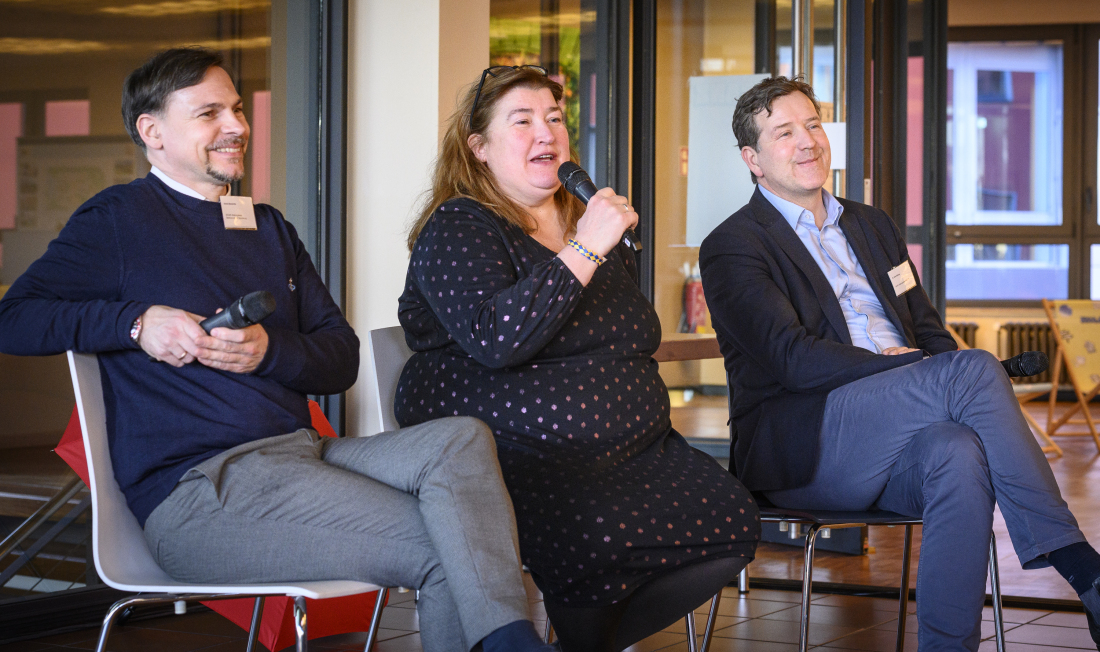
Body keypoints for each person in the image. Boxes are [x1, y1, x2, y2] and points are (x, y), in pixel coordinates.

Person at [0, 47, 556, 652]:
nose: (237, 126)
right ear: (151, 131)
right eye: (209, 113)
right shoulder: (117, 220)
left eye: (236, 108)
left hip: (303, 457)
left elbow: (339, 358)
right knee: (459, 551)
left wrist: (267, 349)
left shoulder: (266, 226)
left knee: (461, 437)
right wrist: (136, 322)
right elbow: (16, 319)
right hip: (202, 492)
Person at [699, 75, 1100, 652]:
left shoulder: (871, 225)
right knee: (970, 369)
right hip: (808, 442)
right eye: (784, 133)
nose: (807, 141)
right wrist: (903, 369)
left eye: (812, 125)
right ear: (752, 159)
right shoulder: (735, 244)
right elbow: (791, 360)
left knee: (957, 454)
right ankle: (1084, 569)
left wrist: (929, 370)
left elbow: (928, 330)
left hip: (899, 435)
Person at [396, 64, 760, 652]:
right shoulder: (460, 224)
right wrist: (587, 246)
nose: (547, 133)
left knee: (733, 522)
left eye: (555, 118)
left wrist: (586, 238)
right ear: (479, 148)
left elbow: (629, 332)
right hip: (524, 454)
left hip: (637, 450)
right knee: (597, 536)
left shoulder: (579, 220)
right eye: (523, 121)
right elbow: (497, 338)